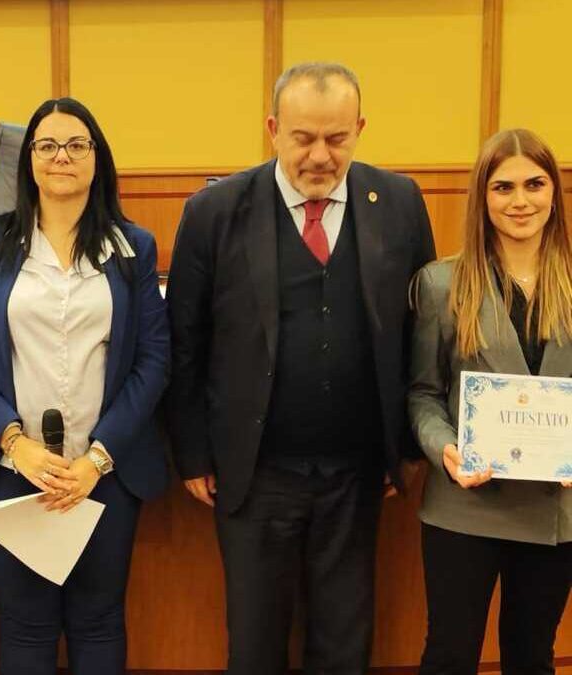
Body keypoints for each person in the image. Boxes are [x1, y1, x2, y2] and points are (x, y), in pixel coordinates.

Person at [167, 61, 436, 674]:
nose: (320, 155)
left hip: (358, 472)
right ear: (272, 128)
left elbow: (418, 332)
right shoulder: (214, 210)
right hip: (253, 472)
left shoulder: (397, 202)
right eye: (303, 137)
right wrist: (194, 454)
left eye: (337, 138)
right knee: (256, 646)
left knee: (345, 646)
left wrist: (407, 447)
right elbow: (185, 339)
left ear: (360, 129)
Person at [0, 97, 169, 674]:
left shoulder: (132, 247)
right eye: (46, 145)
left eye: (76, 145)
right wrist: (15, 444)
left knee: (98, 621)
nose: (61, 156)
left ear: (97, 159)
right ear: (30, 162)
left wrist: (97, 458)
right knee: (24, 625)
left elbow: (153, 360)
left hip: (104, 474)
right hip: (13, 472)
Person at [409, 128, 571, 674]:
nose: (520, 201)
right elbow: (424, 395)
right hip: (464, 508)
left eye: (535, 184)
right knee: (450, 655)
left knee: (532, 657)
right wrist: (445, 449)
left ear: (554, 192)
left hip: (557, 513)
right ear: (482, 195)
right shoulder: (440, 285)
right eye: (503, 187)